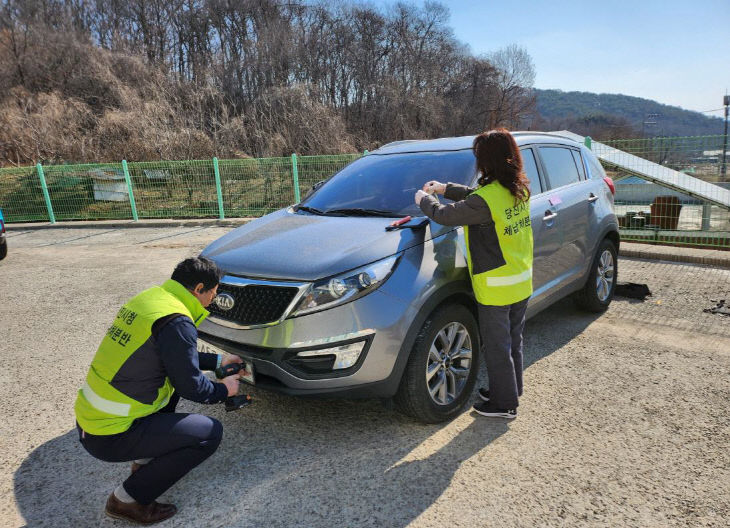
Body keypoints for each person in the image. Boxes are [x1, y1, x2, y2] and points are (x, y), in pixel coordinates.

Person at [74, 256, 244, 524]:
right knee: (208, 434)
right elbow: (193, 388)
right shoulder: (177, 321)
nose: (214, 297)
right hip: (109, 435)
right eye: (214, 291)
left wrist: (219, 362)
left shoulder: (152, 300)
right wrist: (225, 390)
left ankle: (142, 465)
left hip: (92, 420)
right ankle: (125, 500)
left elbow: (172, 355)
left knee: (169, 388)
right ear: (199, 288)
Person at [415, 128, 533, 419]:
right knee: (513, 342)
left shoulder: (487, 199)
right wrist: (445, 188)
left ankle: (504, 405)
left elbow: (447, 215)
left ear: (487, 161)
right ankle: (510, 390)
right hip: (520, 278)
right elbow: (476, 198)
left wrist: (424, 200)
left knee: (497, 346)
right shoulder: (518, 188)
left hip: (497, 286)